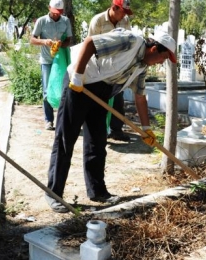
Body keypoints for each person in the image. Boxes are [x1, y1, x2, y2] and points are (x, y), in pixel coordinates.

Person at [45, 29, 177, 213]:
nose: (161, 63)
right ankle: (54, 194)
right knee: (66, 139)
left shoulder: (142, 67)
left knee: (97, 142)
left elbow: (140, 96)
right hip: (79, 84)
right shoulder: (130, 41)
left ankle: (97, 191)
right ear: (154, 48)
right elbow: (90, 42)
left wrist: (146, 128)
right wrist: (77, 75)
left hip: (102, 92)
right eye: (163, 58)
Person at [88, 0, 133, 142]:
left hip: (117, 67)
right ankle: (99, 131)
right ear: (114, 8)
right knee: (100, 101)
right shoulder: (98, 21)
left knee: (118, 99)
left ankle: (116, 129)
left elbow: (128, 40)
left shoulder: (125, 21)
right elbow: (90, 45)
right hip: (100, 67)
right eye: (123, 11)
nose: (125, 15)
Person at [30, 0, 73, 131]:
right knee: (47, 90)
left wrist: (61, 44)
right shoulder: (42, 21)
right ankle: (49, 120)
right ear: (49, 8)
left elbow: (69, 40)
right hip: (47, 61)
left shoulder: (65, 21)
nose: (56, 14)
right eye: (54, 12)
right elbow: (32, 39)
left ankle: (63, 119)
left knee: (64, 89)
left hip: (60, 61)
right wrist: (44, 42)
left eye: (58, 12)